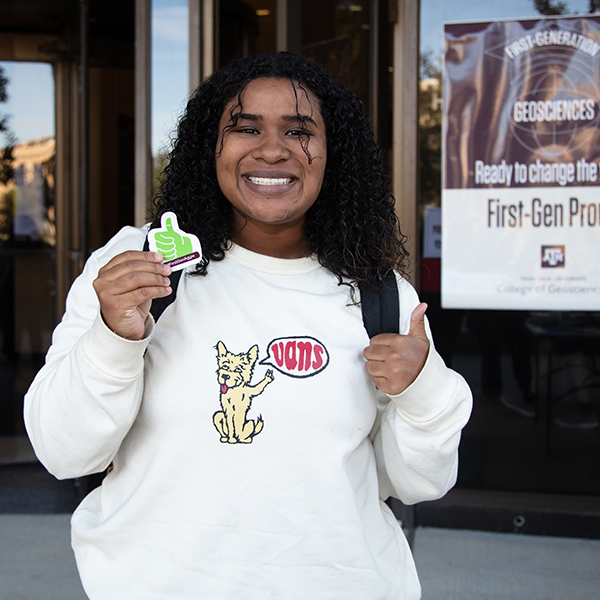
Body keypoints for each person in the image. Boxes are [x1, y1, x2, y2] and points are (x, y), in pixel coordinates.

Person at [24, 53, 472, 600]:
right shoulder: (137, 268)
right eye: (245, 127)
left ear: (333, 154)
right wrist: (114, 340)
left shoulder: (378, 294)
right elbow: (63, 451)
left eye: (299, 130)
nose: (272, 149)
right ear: (209, 148)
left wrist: (423, 390)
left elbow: (418, 482)